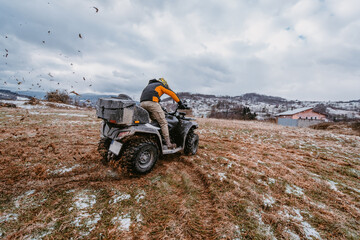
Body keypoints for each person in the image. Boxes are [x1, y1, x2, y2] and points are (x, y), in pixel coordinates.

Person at [140, 78, 186, 149]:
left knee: (153, 122)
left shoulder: (149, 86)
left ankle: (153, 138)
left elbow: (149, 95)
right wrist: (180, 103)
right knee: (163, 122)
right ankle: (168, 143)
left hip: (142, 104)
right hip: (152, 103)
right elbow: (172, 93)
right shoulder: (161, 85)